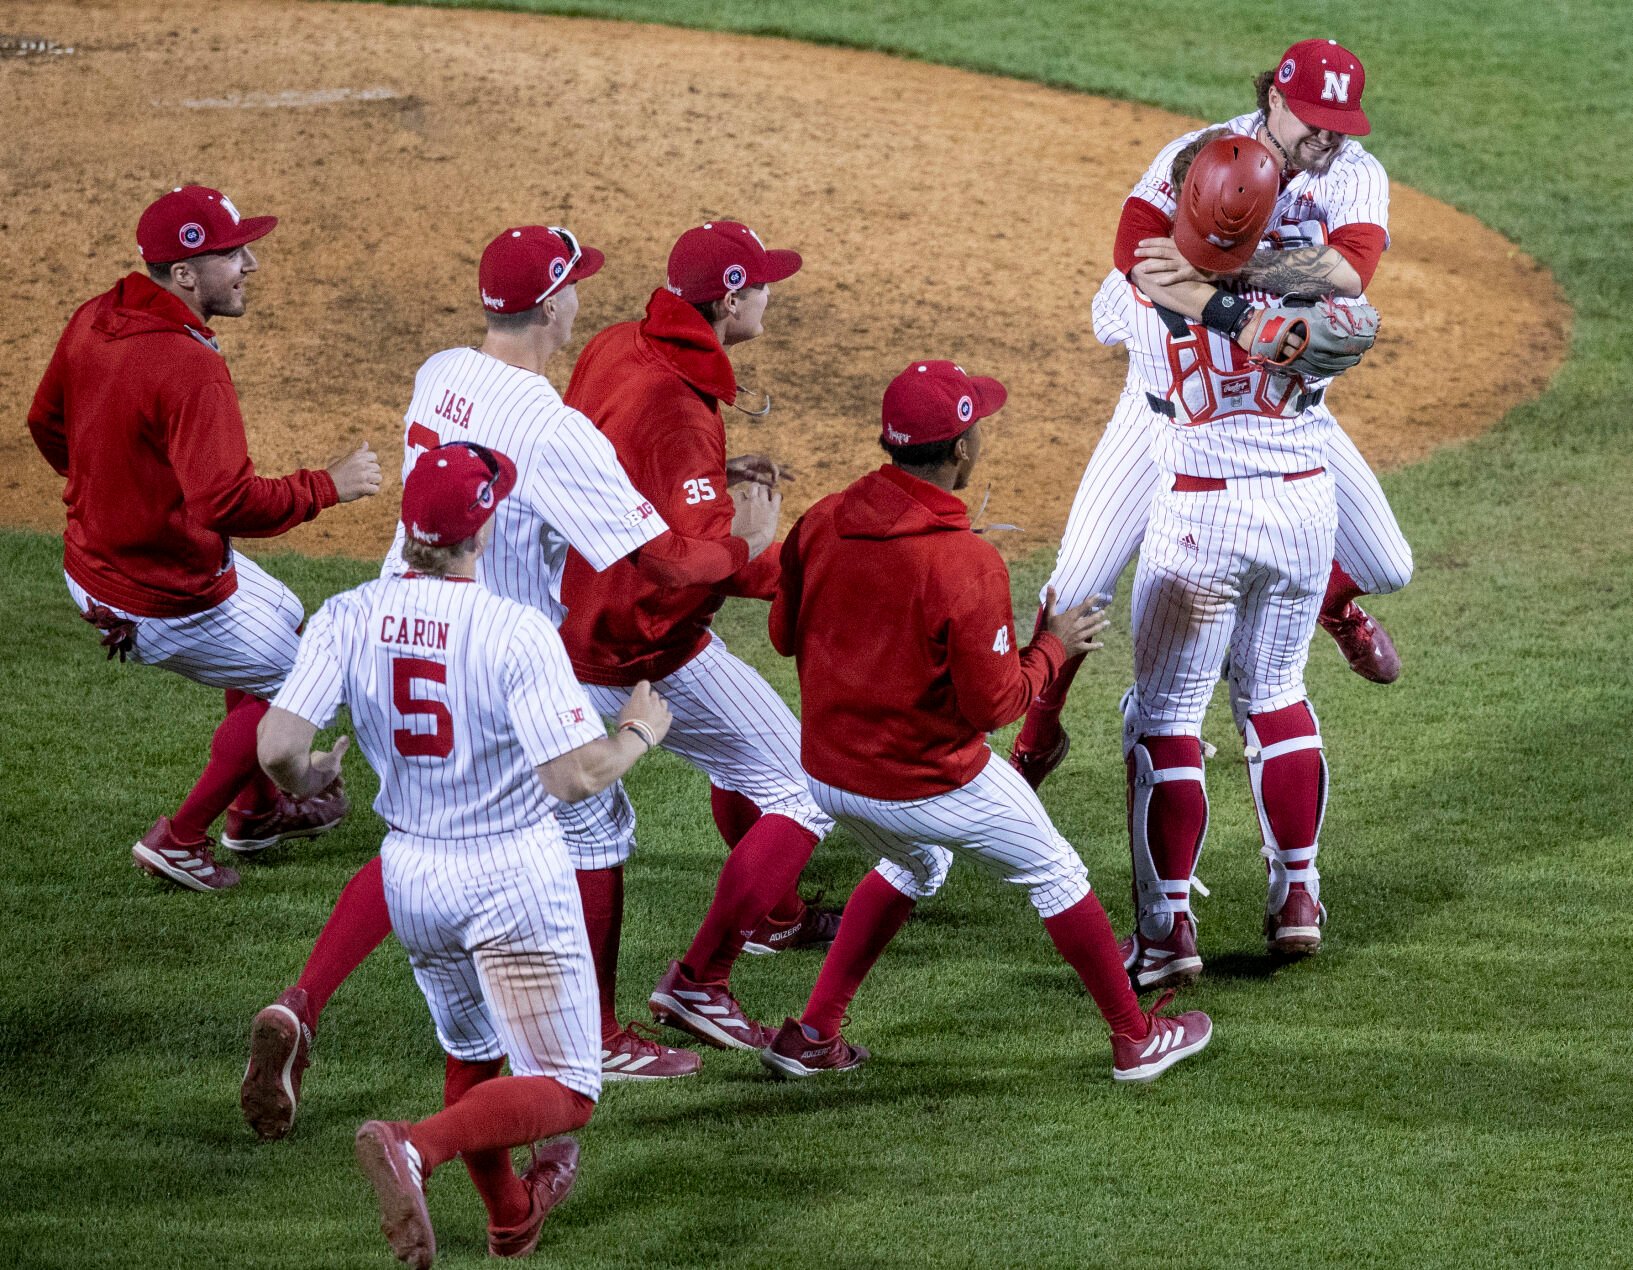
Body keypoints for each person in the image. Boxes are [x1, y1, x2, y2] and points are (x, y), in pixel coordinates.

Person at [241, 224, 695, 1145]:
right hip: (490, 654)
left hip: (391, 626)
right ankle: (597, 1038)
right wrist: (753, 553)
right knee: (593, 822)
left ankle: (305, 1001)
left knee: (421, 832)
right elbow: (657, 560)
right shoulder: (553, 429)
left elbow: (280, 744)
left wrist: (304, 776)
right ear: (554, 303)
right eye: (576, 287)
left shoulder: (440, 371)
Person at [258, 442, 674, 1268]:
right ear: (482, 531)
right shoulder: (514, 630)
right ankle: (414, 1146)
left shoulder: (347, 613)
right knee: (569, 1089)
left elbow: (277, 748)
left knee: (474, 1051)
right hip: (510, 878)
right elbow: (572, 778)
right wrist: (637, 733)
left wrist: (313, 778)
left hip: (412, 876)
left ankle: (510, 1217)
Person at [759, 360, 1212, 1083]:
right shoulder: (965, 562)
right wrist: (1052, 646)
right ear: (962, 449)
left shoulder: (821, 518)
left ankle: (814, 1034)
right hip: (926, 780)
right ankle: (1136, 1039)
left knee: (914, 861)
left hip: (828, 777)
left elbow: (783, 636)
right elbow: (995, 707)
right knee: (1056, 873)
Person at [1010, 38, 1411, 790]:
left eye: (1341, 124)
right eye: (1313, 120)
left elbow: (1350, 270)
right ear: (1274, 101)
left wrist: (1228, 260)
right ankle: (1039, 730)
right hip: (1161, 418)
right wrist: (1241, 302)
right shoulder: (1196, 155)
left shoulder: (1354, 173)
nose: (1327, 137)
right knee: (1078, 582)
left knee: (1388, 564)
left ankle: (1332, 604)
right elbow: (1133, 251)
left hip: (1284, 417)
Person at [26, 184, 380, 891]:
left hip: (99, 562)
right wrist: (327, 485)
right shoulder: (190, 366)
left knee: (286, 619)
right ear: (185, 273)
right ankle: (181, 839)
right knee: (308, 681)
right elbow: (226, 502)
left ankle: (256, 814)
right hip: (162, 593)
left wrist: (120, 497)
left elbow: (46, 422)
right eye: (233, 254)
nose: (250, 264)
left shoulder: (98, 315)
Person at [1090, 133, 1378, 988]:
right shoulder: (1315, 298)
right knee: (1277, 694)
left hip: (1198, 514)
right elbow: (1354, 317)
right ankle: (1298, 898)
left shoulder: (1136, 286)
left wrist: (1201, 286)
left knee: (1165, 716)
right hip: (1302, 510)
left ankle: (1166, 929)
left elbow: (1115, 309)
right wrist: (1260, 291)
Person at [557, 220, 840, 1055]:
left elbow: (624, 475)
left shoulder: (619, 343)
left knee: (741, 753)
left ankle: (773, 917)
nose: (771, 295)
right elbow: (691, 566)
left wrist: (710, 489)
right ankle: (699, 981)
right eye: (761, 283)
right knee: (806, 791)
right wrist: (786, 559)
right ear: (728, 298)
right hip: (635, 641)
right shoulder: (678, 407)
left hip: (572, 605)